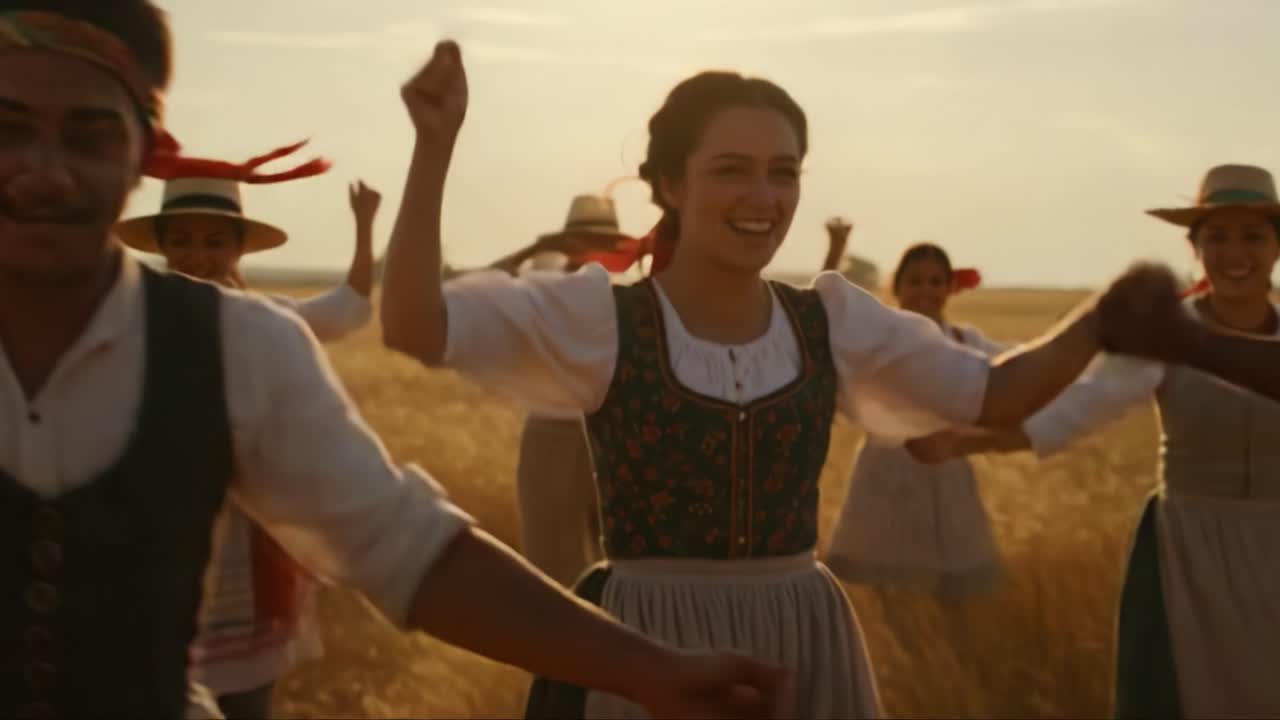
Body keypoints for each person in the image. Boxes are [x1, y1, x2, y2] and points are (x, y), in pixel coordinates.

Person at [0, 4, 790, 718]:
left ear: (144, 153)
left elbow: (404, 546)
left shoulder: (236, 345)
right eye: (9, 129)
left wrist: (648, 670)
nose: (44, 170)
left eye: (89, 135)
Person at [379, 40, 1136, 719]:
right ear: (671, 183)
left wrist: (1102, 320)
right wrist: (434, 148)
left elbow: (993, 394)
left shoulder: (830, 319)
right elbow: (414, 328)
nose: (762, 197)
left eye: (783, 173)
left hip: (799, 639)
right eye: (731, 170)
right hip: (644, 642)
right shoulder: (603, 318)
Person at [906, 164, 1280, 718]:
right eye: (1217, 237)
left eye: (1254, 236)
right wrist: (966, 442)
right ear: (1194, 249)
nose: (1235, 253)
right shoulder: (1160, 333)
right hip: (1188, 547)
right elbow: (1076, 409)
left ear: (1277, 248)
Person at [114, 151, 380, 718]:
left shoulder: (265, 324)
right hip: (150, 554)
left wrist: (364, 228)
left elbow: (350, 309)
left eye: (215, 242)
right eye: (182, 240)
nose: (197, 256)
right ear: (160, 245)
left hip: (243, 561)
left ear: (237, 250)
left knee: (243, 699)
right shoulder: (123, 318)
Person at [825, 244, 1002, 653]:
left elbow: (1013, 369)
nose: (926, 290)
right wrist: (835, 249)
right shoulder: (879, 339)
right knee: (892, 587)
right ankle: (901, 667)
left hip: (947, 470)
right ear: (897, 287)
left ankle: (951, 670)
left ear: (950, 287)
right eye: (915, 281)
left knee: (952, 590)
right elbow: (823, 320)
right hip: (888, 472)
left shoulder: (964, 340)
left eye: (936, 281)